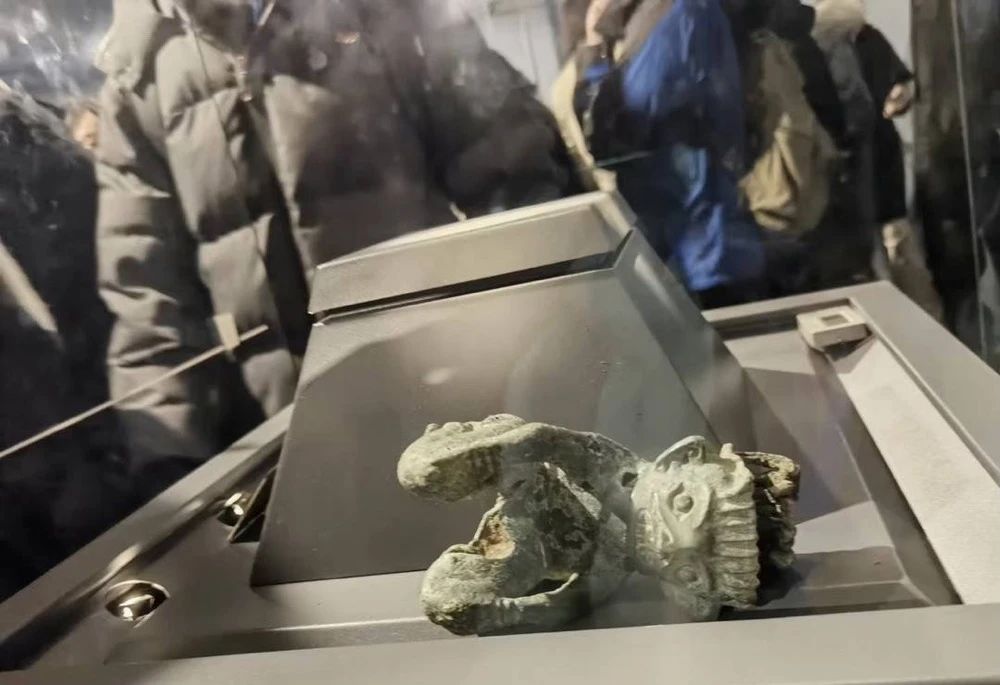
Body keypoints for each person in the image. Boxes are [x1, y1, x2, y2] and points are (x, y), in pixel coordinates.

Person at [95, 0, 577, 491]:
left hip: (445, 392)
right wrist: (172, 473)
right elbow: (147, 300)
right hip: (287, 448)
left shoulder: (378, 11)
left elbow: (515, 175)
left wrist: (548, 349)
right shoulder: (141, 68)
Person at [575, 0, 765, 308]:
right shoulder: (638, 23)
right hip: (680, 240)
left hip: (695, 242)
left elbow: (613, 127)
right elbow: (603, 135)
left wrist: (595, 51)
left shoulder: (681, 14)